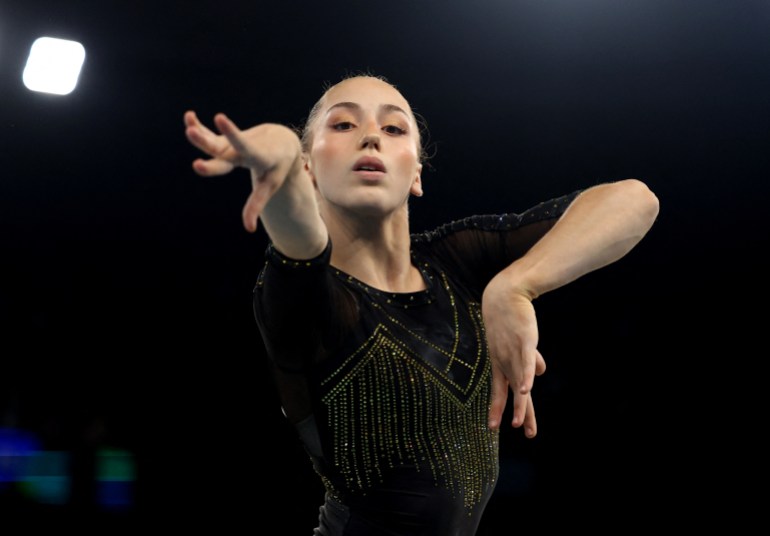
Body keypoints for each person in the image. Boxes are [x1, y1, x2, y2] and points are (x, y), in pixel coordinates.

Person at [183, 74, 659, 535]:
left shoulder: (459, 262)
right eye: (343, 124)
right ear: (309, 168)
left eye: (393, 128)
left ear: (416, 174)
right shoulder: (307, 296)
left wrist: (515, 285)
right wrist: (277, 153)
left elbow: (634, 201)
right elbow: (297, 223)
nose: (370, 136)